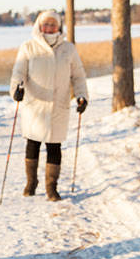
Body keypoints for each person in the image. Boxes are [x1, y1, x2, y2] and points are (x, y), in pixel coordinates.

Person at [9, 10, 88, 201]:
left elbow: (78, 75)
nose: (49, 28)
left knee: (54, 147)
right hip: (34, 105)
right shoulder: (28, 46)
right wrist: (16, 89)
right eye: (46, 24)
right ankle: (31, 182)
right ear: (39, 25)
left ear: (59, 26)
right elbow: (18, 73)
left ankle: (51, 188)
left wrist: (81, 96)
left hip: (58, 104)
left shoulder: (68, 49)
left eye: (53, 24)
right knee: (32, 144)